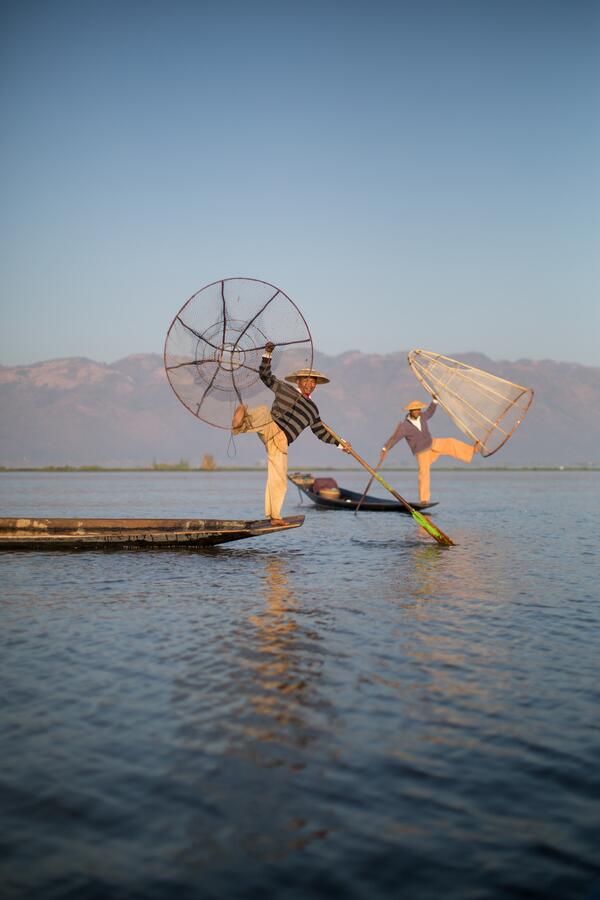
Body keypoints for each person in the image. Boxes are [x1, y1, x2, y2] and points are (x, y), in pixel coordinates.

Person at [232, 342, 350, 525]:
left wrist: (341, 444)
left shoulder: (312, 409)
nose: (310, 385)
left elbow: (321, 432)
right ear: (298, 382)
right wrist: (267, 354)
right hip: (271, 425)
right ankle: (241, 421)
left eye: (313, 382)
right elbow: (265, 376)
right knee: (263, 411)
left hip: (281, 441)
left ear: (315, 386)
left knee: (278, 477)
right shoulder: (284, 388)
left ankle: (274, 517)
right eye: (306, 381)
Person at [379, 397, 480, 503]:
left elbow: (430, 412)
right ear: (410, 411)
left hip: (432, 444)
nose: (417, 411)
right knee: (424, 473)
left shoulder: (422, 417)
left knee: (450, 442)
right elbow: (394, 438)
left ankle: (472, 450)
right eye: (415, 410)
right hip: (421, 452)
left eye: (419, 409)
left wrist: (435, 401)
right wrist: (385, 448)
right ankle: (424, 499)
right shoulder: (404, 426)